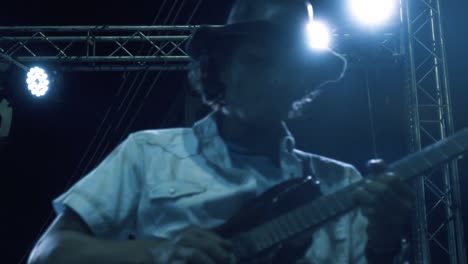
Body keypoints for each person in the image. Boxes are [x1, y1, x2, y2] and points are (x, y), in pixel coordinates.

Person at [27, 0, 412, 263]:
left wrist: (384, 239)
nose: (277, 78)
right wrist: (159, 253)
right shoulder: (147, 153)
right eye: (258, 61)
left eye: (291, 66)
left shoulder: (341, 182)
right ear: (222, 68)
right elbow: (49, 253)